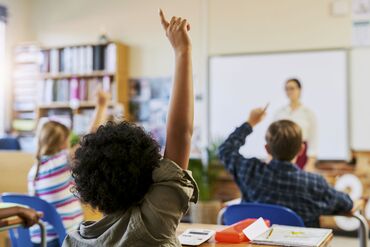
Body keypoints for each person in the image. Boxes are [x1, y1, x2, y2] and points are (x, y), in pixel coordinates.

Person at [62, 9, 197, 247]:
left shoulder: (74, 240)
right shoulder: (153, 224)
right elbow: (180, 133)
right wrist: (182, 51)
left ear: (87, 187)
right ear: (151, 173)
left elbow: (181, 134)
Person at [218, 107, 353, 227]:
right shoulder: (314, 184)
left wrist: (250, 122)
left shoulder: (250, 171)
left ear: (267, 149)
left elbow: (226, 150)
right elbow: (346, 204)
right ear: (301, 150)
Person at [28, 90, 110, 247]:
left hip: (39, 239)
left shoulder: (34, 171)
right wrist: (102, 105)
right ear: (62, 142)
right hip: (63, 239)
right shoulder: (60, 163)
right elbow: (90, 141)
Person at [274, 78, 317, 171]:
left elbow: (313, 139)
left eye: (292, 88)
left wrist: (310, 163)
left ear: (299, 90)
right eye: (287, 89)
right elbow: (273, 136)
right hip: (282, 153)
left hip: (301, 155)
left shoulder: (308, 113)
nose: (289, 91)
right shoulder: (280, 113)